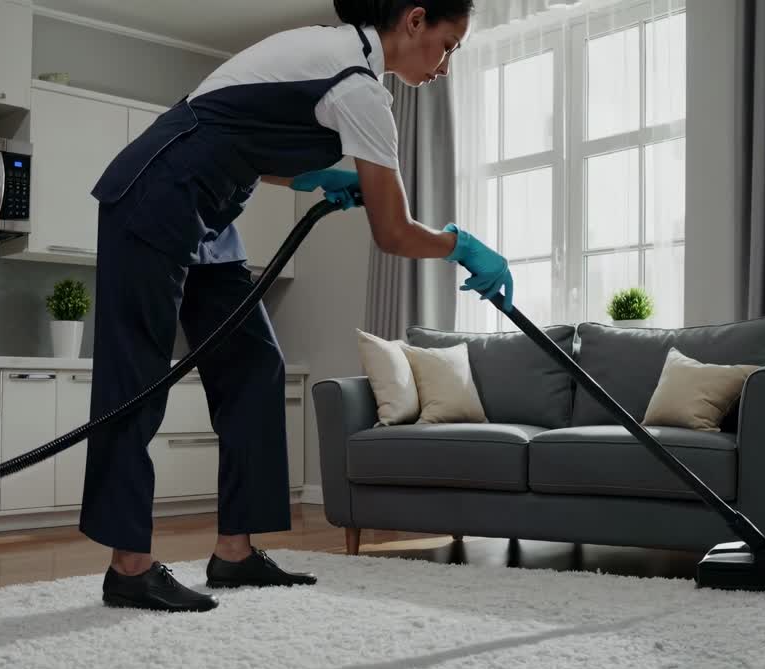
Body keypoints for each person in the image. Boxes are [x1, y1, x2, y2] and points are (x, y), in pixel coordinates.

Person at [81, 0, 514, 612]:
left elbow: (240, 129)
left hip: (209, 213)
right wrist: (462, 246)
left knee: (255, 366)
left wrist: (311, 176)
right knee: (137, 380)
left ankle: (234, 554)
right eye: (448, 45)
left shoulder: (340, 62)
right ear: (414, 20)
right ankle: (129, 567)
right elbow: (394, 232)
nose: (445, 65)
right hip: (154, 195)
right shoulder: (357, 85)